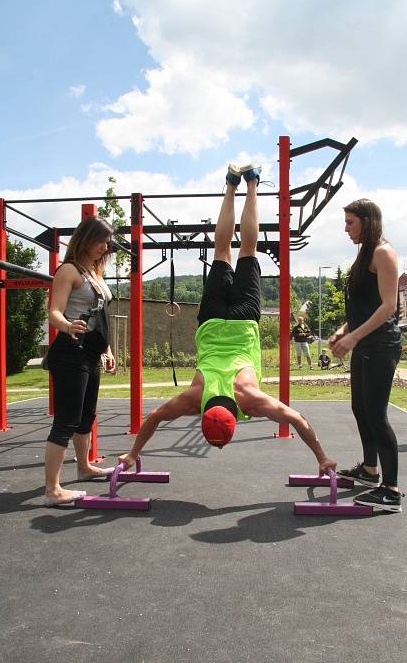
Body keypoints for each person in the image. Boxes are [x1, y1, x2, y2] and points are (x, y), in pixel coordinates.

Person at [118, 164, 336, 474]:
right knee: (222, 251)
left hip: (244, 322)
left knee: (247, 250)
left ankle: (251, 184)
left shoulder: (249, 400)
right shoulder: (198, 398)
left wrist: (322, 457)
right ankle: (233, 184)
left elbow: (296, 418)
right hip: (210, 322)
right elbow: (154, 415)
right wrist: (131, 453)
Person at [329, 199, 403, 513]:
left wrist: (355, 336)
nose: (345, 229)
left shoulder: (383, 253)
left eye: (350, 222)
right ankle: (370, 469)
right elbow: (364, 306)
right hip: (364, 344)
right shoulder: (364, 255)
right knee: (360, 407)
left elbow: (389, 306)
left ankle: (391, 490)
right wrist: (344, 329)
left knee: (376, 414)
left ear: (367, 221)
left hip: (380, 345)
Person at [43, 216, 116, 506]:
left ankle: (84, 468)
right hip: (70, 352)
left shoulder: (94, 273)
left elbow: (100, 318)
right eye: (100, 240)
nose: (105, 246)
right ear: (85, 239)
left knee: (87, 417)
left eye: (107, 242)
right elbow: (55, 313)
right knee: (66, 421)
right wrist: (67, 325)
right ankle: (52, 490)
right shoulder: (69, 270)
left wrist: (107, 350)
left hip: (90, 353)